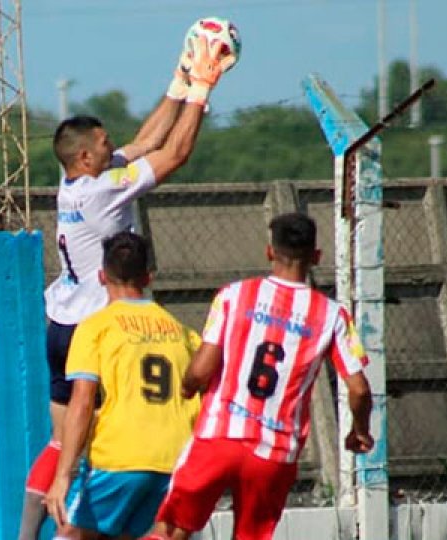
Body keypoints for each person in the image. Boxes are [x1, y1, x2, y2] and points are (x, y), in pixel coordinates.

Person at [20, 34, 238, 538]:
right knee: (98, 443)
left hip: (60, 320)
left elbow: (144, 142)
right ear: (87, 159)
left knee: (59, 444)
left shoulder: (75, 181)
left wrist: (179, 80)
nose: (111, 147)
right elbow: (174, 152)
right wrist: (203, 90)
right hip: (96, 328)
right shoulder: (103, 193)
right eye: (102, 144)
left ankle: (28, 530)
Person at [147, 213, 374, 540]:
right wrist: (359, 429)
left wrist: (187, 387)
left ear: (270, 252)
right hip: (275, 450)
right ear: (316, 257)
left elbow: (201, 369)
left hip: (220, 435)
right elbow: (359, 389)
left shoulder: (233, 295)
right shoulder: (333, 315)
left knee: (170, 530)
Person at [43, 232, 201, 540]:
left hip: (119, 457)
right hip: (174, 460)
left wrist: (62, 475)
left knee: (71, 532)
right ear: (148, 277)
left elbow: (83, 402)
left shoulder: (96, 328)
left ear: (102, 277)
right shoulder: (184, 333)